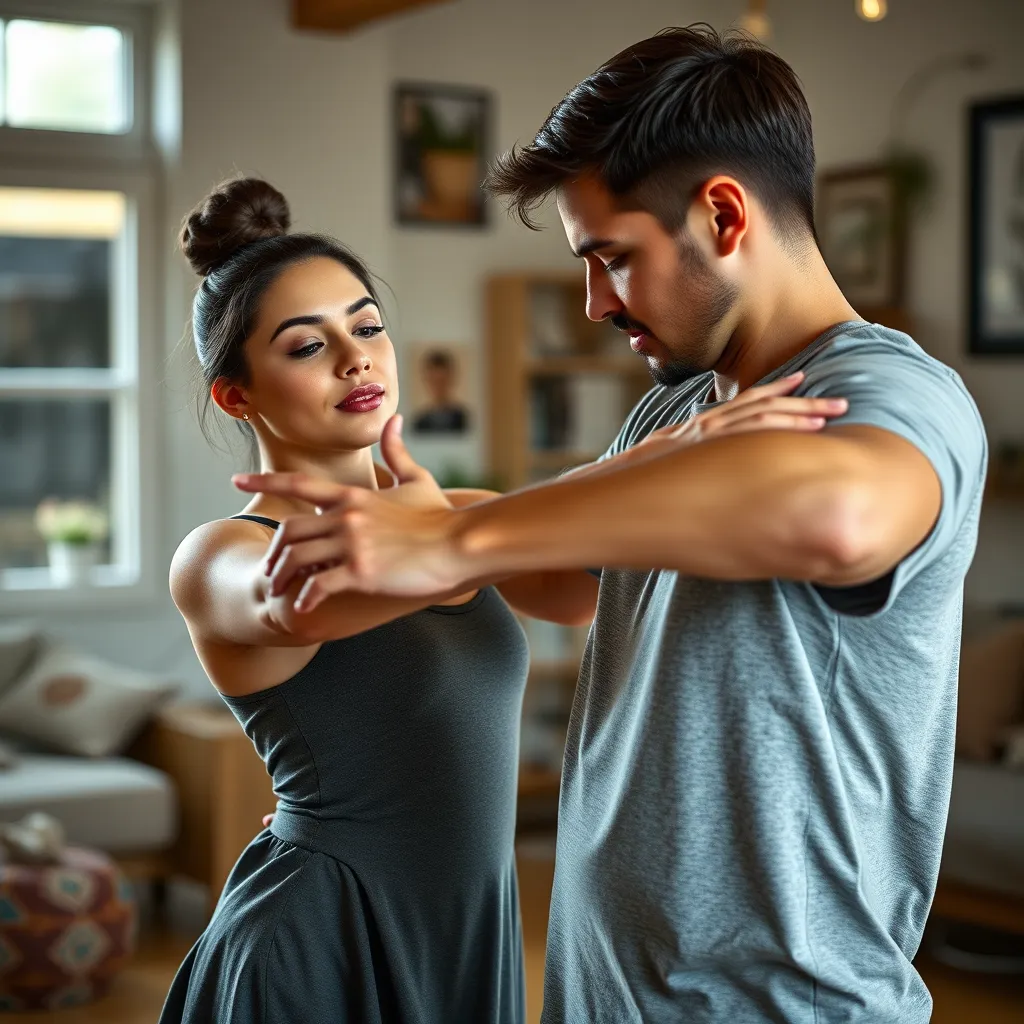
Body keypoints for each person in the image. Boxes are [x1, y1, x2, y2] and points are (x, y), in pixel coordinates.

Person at [236, 26, 988, 1024]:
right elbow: (574, 581)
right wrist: (442, 517)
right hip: (605, 986)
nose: (594, 302)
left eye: (612, 258)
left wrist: (457, 541)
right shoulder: (676, 407)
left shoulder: (891, 390)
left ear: (722, 214)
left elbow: (839, 517)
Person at [162, 175, 839, 1023]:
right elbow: (302, 604)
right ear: (237, 394)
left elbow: (590, 586)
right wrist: (651, 458)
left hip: (471, 928)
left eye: (367, 325)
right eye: (306, 346)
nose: (356, 358)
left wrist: (722, 437)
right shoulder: (222, 555)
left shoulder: (462, 525)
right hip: (323, 936)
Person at [412, 348, 469, 434]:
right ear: (427, 381)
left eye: (442, 381)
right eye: (434, 381)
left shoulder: (463, 419)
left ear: (451, 379)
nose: (438, 387)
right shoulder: (420, 422)